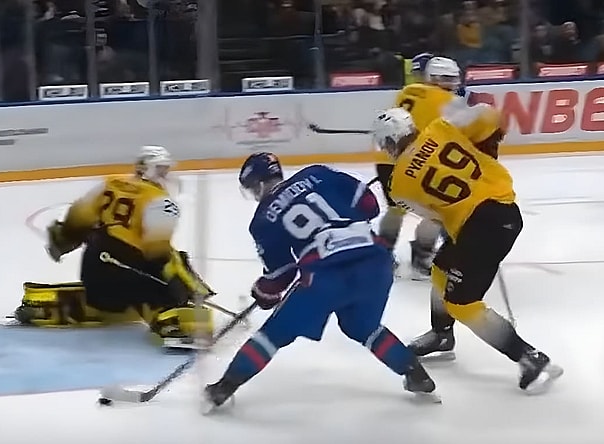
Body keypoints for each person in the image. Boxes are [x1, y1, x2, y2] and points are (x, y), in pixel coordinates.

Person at [202, 152, 439, 412]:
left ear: (258, 184)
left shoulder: (262, 220)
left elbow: (280, 274)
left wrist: (264, 292)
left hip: (326, 274)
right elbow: (370, 205)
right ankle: (415, 374)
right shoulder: (318, 173)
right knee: (362, 326)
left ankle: (223, 387)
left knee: (274, 334)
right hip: (376, 262)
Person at [371, 105, 563, 393]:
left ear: (390, 141)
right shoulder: (440, 128)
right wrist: (492, 138)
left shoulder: (398, 186)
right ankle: (441, 335)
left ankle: (530, 359)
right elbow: (486, 112)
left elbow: (434, 216)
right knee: (441, 269)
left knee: (462, 303)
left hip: (481, 228)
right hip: (501, 211)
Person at [14, 145, 214, 346]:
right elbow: (157, 253)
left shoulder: (109, 184)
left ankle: (59, 304)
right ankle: (172, 322)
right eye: (161, 169)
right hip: (126, 273)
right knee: (168, 272)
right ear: (148, 169)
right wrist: (181, 288)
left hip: (92, 268)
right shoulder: (161, 202)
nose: (165, 174)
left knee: (114, 289)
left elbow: (77, 218)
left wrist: (64, 240)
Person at [376, 56, 467, 280]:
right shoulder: (451, 103)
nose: (454, 83)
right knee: (437, 211)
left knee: (395, 209)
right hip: (416, 162)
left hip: (386, 158)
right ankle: (421, 259)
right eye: (450, 79)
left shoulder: (407, 91)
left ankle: (381, 256)